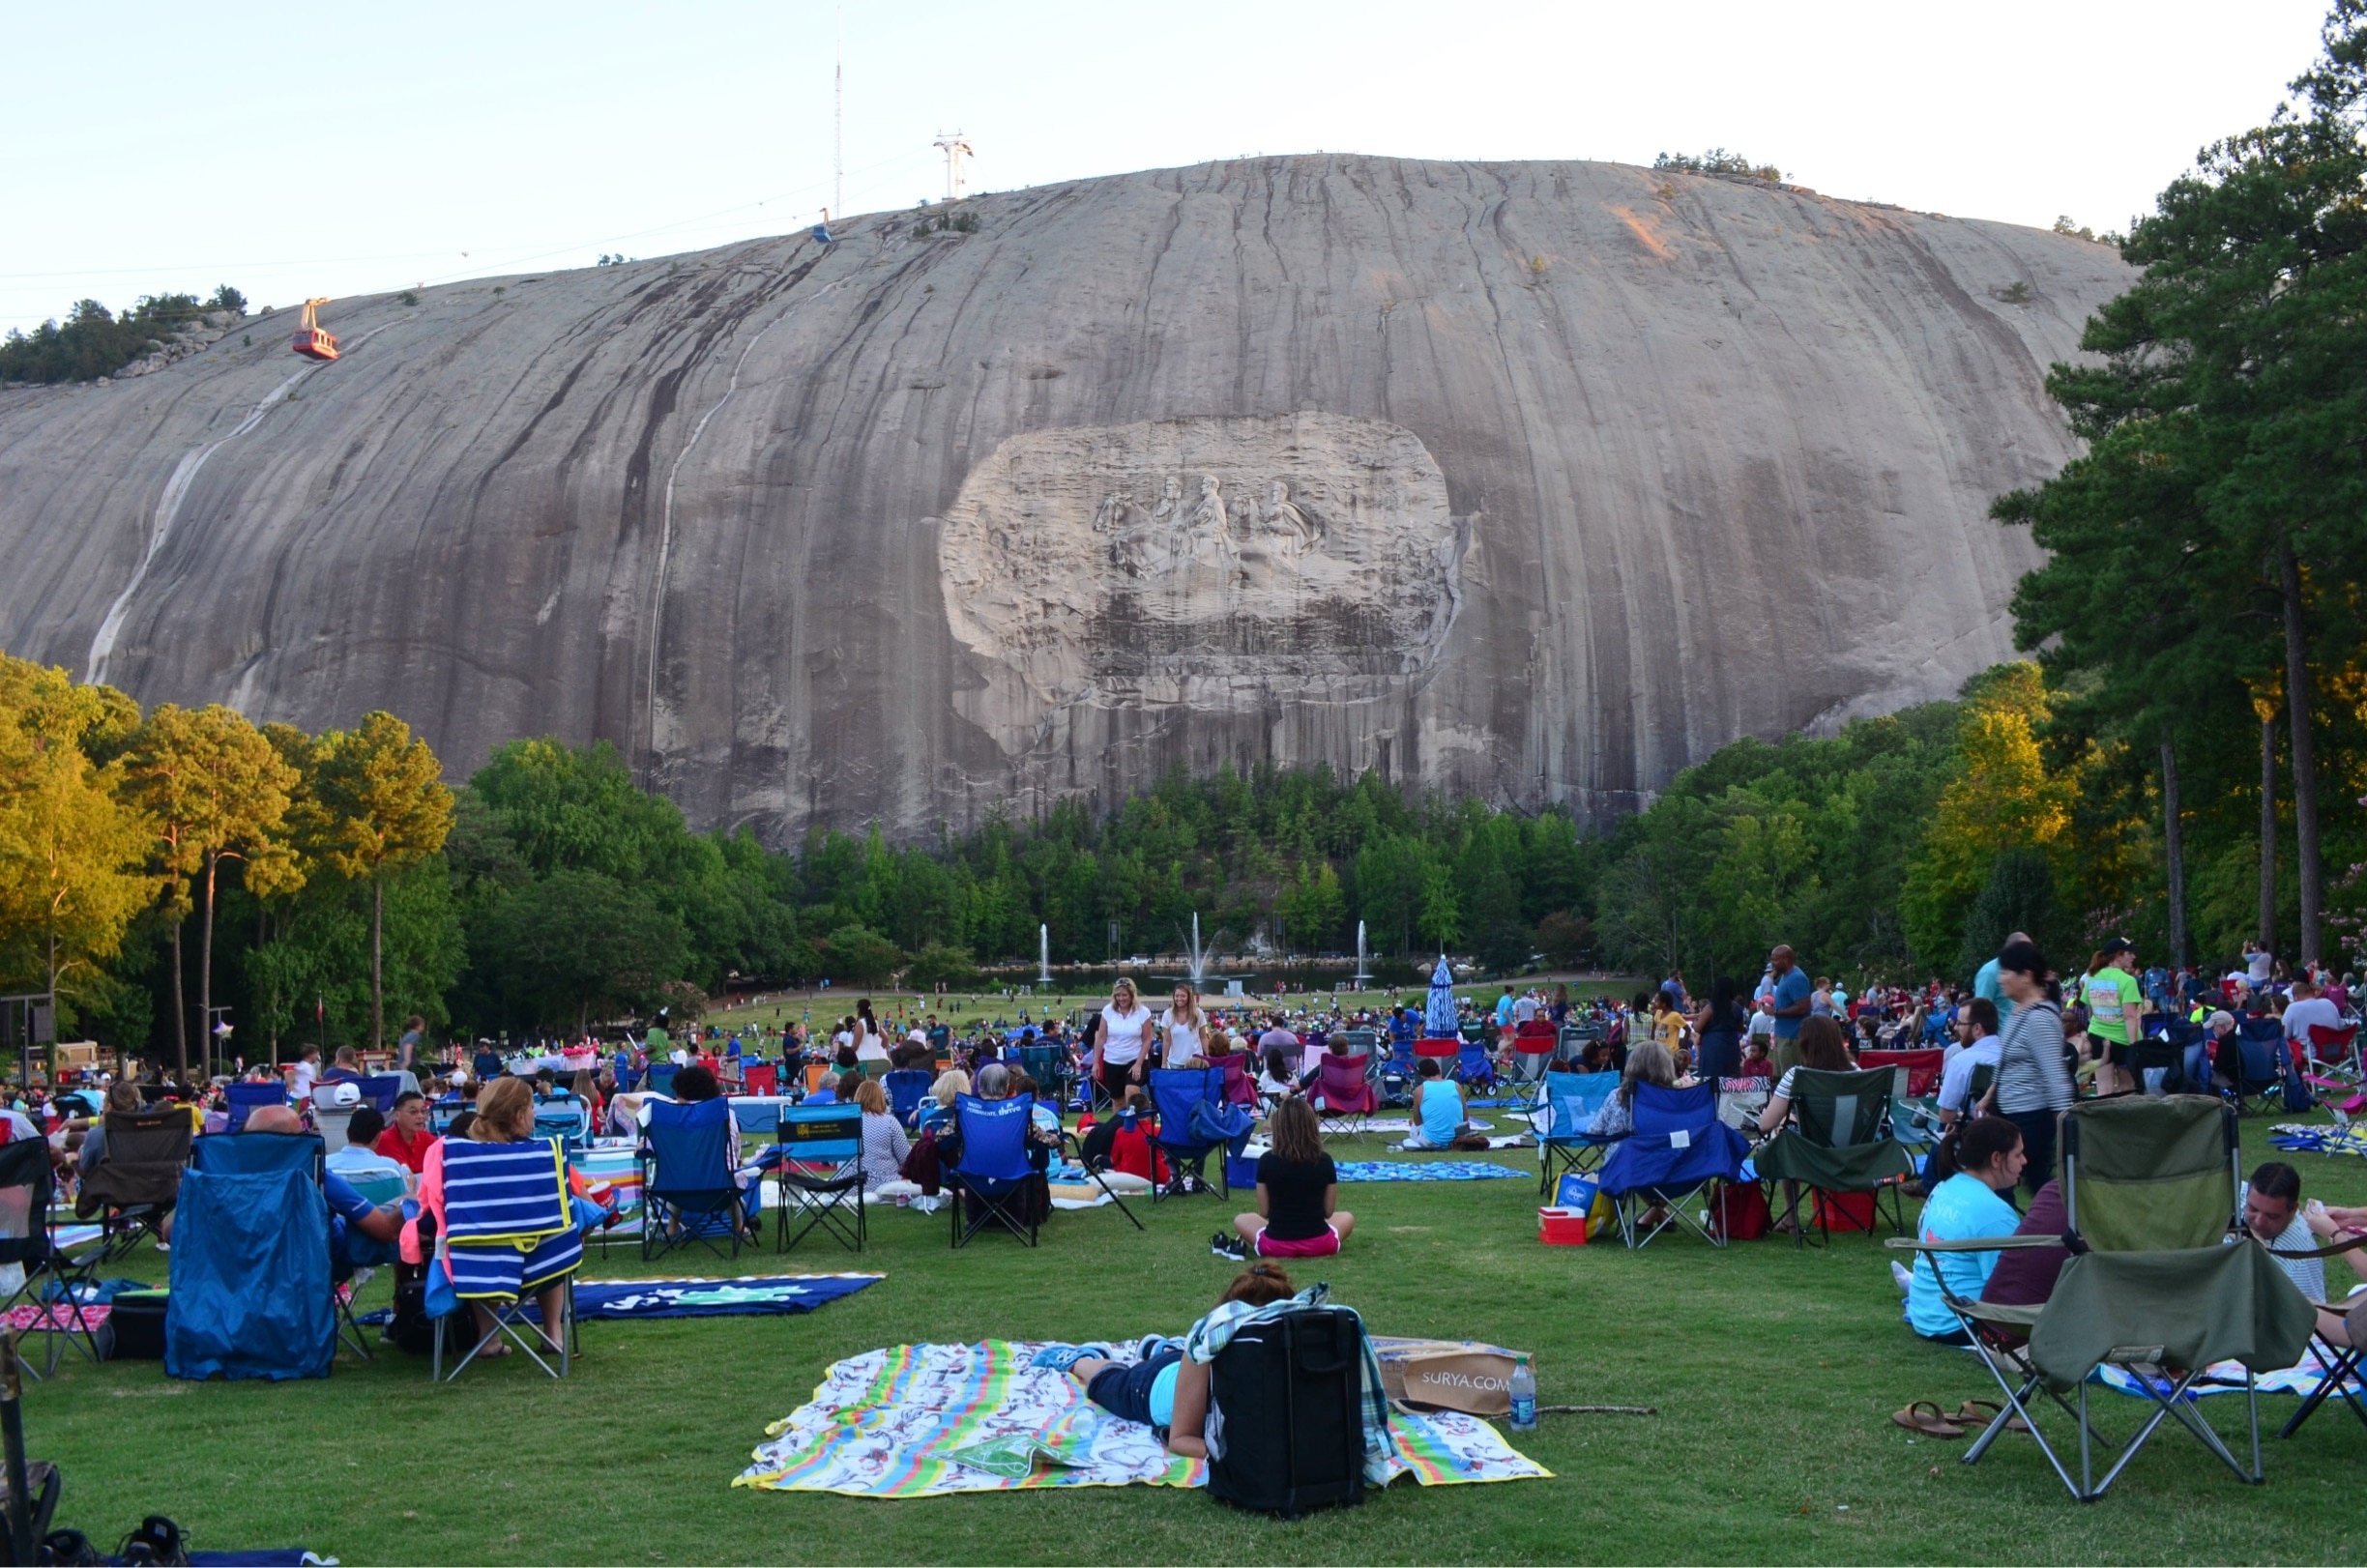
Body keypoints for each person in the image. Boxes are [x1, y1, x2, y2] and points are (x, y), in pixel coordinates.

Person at [1054, 1263, 1300, 1456]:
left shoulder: (1293, 1347)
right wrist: (1239, 1456)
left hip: (1181, 1365)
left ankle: (1161, 1348)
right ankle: (1080, 1358)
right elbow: (1180, 1440)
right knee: (1105, 1380)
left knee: (1179, 1359)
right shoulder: (1205, 1351)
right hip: (1149, 1388)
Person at [419, 1078, 576, 1354]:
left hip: (474, 1268)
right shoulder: (542, 1156)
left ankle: (488, 1338)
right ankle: (553, 1332)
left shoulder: (456, 1157)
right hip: (542, 1264)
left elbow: (437, 1212)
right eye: (531, 1108)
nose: (534, 1114)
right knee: (556, 1234)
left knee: (483, 1245)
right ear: (518, 1115)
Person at [1903, 1117, 2028, 1343]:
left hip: (1927, 1314)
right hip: (1960, 1323)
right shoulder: (1995, 1213)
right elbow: (2008, 1288)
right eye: (2018, 1155)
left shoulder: (1945, 1187)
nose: (2025, 1161)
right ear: (1997, 1159)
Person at [247, 1105, 402, 1275]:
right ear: (293, 1143)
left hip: (242, 1270)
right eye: (303, 1134)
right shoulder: (313, 1174)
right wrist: (414, 1197)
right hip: (309, 1267)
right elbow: (385, 1229)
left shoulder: (223, 1180)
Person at [1979, 938, 2072, 1196]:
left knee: (2033, 1182)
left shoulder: (2040, 1018)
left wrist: (2064, 1122)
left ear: (2026, 976)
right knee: (2004, 1179)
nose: (2001, 979)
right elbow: (2007, 1057)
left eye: (2007, 972)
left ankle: (2061, 1224)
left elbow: (2054, 1074)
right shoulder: (2019, 1012)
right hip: (2013, 1113)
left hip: (2031, 1115)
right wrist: (1991, 1092)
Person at [1218, 1095, 1351, 1260]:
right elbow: (1328, 1212)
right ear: (1311, 1125)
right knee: (1346, 1217)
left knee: (1241, 1219)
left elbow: (1264, 1212)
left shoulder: (1267, 1161)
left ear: (1279, 1127)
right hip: (1319, 1243)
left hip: (1275, 1244)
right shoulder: (1324, 1160)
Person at [1754, 1016, 1857, 1136]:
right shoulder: (1855, 1071)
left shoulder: (1796, 1076)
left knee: (1781, 1123)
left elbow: (1766, 1125)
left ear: (1803, 1044)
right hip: (1852, 1148)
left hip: (1807, 1150)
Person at [2240, 1162, 2324, 1300]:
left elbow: (2310, 1317)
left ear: (2293, 1210)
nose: (2258, 1221)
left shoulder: (2303, 1260)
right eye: (2253, 1209)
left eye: (2271, 1216)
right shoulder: (2230, 1196)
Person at [2080, 937, 2143, 1097]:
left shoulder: (2092, 978)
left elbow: (2090, 1010)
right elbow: (2130, 1017)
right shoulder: (2128, 981)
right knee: (2128, 1088)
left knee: (2104, 1089)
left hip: (2098, 1037)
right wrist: (2134, 1047)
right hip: (2122, 1040)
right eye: (2130, 953)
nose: (2134, 957)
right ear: (2119, 955)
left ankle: (2104, 1122)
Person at [1587, 1040, 1679, 1140]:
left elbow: (1594, 1130)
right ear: (1668, 1066)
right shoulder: (1675, 1099)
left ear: (1632, 1063)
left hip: (1624, 1153)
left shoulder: (1617, 1096)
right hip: (1664, 1153)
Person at [1935, 1000, 2001, 1131]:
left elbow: (1946, 1115)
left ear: (1977, 1028)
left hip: (1976, 1137)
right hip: (2012, 1137)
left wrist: (1960, 1116)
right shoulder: (2012, 1057)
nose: (1955, 1028)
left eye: (1959, 1023)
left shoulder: (1961, 1061)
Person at [1094, 979, 1154, 1105]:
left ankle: (1136, 1123)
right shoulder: (1108, 1011)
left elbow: (1147, 1039)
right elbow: (1101, 1037)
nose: (1121, 998)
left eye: (1124, 995)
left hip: (1135, 1057)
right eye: (1118, 995)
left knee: (1132, 1093)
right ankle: (1121, 1125)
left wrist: (1138, 1064)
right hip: (1112, 1059)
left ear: (1132, 995)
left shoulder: (1143, 1012)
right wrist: (1095, 1062)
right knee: (1118, 1101)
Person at [853, 1078, 911, 1192]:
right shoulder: (890, 1122)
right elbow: (906, 1160)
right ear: (881, 1098)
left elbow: (833, 1161)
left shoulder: (848, 1123)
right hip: (884, 1184)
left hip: (848, 1185)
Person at [1403, 1058, 1471, 1149]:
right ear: (1439, 1070)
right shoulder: (1456, 1086)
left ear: (1422, 1076)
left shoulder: (1419, 1090)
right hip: (1457, 1139)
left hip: (1431, 1140)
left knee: (1413, 1124)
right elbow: (1465, 1117)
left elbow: (1418, 1122)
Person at [1766, 944, 1812, 1074]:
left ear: (1785, 959)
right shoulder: (1785, 976)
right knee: (1781, 1078)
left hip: (1793, 1038)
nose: (1772, 963)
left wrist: (1775, 1011)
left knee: (1791, 1079)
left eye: (1775, 960)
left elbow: (1803, 1007)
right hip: (1783, 1035)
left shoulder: (1796, 978)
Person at [327, 1106, 406, 1181]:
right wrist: (411, 1187)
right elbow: (402, 1194)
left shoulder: (324, 1165)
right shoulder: (390, 1168)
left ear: (347, 1132)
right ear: (378, 1137)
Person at [1691, 976, 1745, 1081]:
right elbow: (1740, 1028)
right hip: (1731, 1046)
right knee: (1730, 1080)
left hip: (1712, 1047)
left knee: (1710, 1079)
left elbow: (1698, 1028)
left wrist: (1694, 1023)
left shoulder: (1710, 1007)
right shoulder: (1737, 1007)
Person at [2282, 975, 2342, 1067]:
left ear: (2295, 998)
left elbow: (2284, 1035)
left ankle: (2295, 1078)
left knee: (2282, 1041)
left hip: (2312, 1054)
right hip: (2336, 1050)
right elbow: (2340, 1027)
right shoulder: (2328, 1003)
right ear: (2311, 993)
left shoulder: (2292, 1008)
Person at [1973, 931, 2028, 1030]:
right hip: (2000, 1041)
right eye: (2027, 950)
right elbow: (1980, 1014)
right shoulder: (1989, 973)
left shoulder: (2021, 972)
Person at [1159, 985, 1210, 1070]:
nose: (1179, 998)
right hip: (1175, 1063)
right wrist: (1163, 1062)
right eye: (1177, 996)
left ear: (1188, 997)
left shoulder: (1198, 1013)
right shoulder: (1168, 1014)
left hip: (1195, 1062)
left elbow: (1203, 1037)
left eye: (1183, 996)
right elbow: (1167, 1040)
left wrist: (1209, 1057)